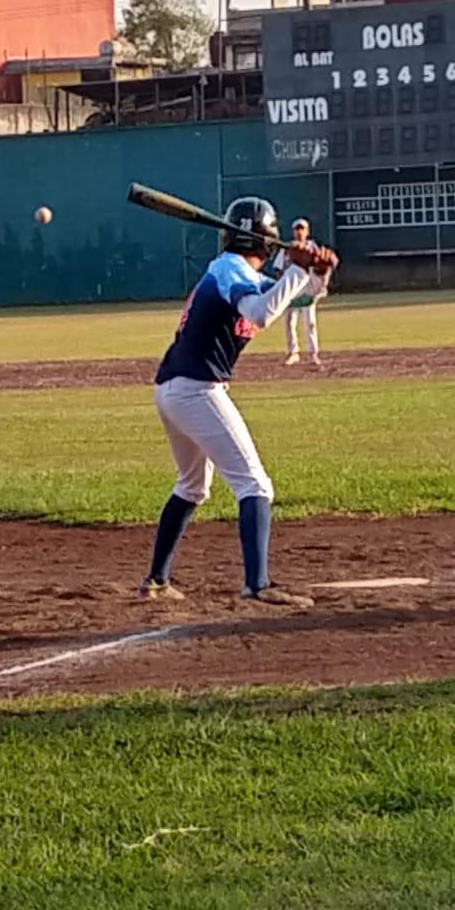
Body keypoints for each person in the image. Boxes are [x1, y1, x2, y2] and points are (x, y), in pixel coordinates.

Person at [137, 197, 337, 607]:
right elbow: (262, 313)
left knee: (192, 487)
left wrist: (318, 273)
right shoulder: (231, 270)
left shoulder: (234, 270)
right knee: (255, 484)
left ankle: (157, 580)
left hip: (176, 388)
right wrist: (298, 267)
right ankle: (257, 584)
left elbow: (290, 299)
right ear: (267, 240)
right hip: (196, 388)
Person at [270, 217, 327, 366]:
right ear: (293, 232)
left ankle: (313, 353)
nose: (300, 232)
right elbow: (277, 267)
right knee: (290, 322)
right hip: (292, 289)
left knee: (310, 322)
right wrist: (283, 284)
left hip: (307, 289)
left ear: (307, 231)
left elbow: (320, 268)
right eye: (297, 229)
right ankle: (293, 353)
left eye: (302, 229)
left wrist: (318, 287)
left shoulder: (313, 247)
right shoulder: (287, 248)